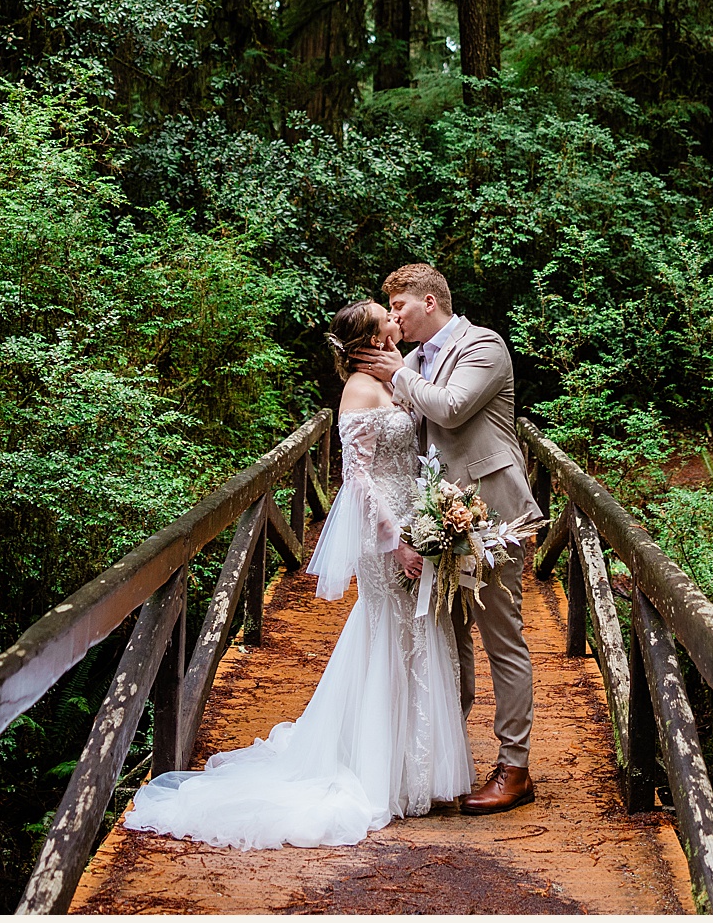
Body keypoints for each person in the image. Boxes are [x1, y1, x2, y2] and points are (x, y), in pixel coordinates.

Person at [119, 299, 470, 849]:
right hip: (388, 534)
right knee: (389, 637)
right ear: (374, 338)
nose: (397, 321)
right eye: (388, 318)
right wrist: (396, 539)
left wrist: (431, 513)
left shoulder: (397, 376)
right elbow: (357, 478)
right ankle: (379, 772)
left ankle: (412, 770)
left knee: (416, 637)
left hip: (416, 514)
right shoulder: (359, 388)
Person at [352, 262, 543, 814]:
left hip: (496, 519)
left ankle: (515, 766)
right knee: (447, 638)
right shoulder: (407, 362)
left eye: (400, 308)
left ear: (428, 302)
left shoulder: (485, 346)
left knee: (501, 638)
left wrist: (402, 375)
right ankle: (447, 756)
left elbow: (452, 410)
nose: (393, 318)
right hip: (434, 519)